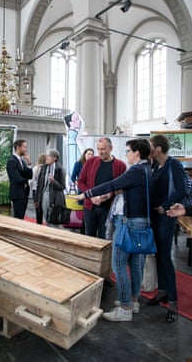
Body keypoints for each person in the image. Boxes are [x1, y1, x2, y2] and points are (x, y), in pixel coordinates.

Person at [77, 138, 153, 322]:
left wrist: (86, 194)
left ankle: (125, 308)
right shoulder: (146, 170)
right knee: (135, 264)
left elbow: (112, 184)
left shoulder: (136, 170)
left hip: (129, 222)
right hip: (140, 221)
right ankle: (133, 302)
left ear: (137, 153)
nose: (126, 154)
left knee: (118, 264)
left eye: (128, 151)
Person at [148, 134, 188, 323]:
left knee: (165, 257)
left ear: (158, 149)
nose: (149, 149)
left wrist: (165, 205)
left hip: (167, 216)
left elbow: (182, 190)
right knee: (158, 255)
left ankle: (173, 301)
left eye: (150, 146)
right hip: (155, 215)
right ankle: (162, 291)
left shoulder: (174, 165)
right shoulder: (155, 165)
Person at [78, 137, 126, 238]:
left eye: (103, 149)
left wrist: (109, 195)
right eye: (98, 149)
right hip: (90, 206)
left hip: (108, 208)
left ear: (111, 148)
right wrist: (91, 196)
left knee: (105, 237)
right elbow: (81, 182)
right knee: (89, 236)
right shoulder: (91, 162)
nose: (100, 152)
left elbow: (121, 187)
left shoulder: (120, 166)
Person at [34, 149, 66, 228]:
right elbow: (39, 185)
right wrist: (37, 199)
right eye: (47, 156)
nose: (46, 158)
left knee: (54, 220)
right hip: (44, 195)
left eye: (49, 156)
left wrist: (53, 181)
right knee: (46, 217)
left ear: (55, 158)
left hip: (55, 198)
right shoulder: (43, 167)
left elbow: (62, 186)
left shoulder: (60, 169)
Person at [6, 139, 32, 219]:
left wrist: (29, 163)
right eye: (24, 147)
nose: (26, 149)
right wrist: (27, 180)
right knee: (18, 218)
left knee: (21, 217)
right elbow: (16, 179)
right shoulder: (11, 161)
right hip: (17, 194)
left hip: (24, 193)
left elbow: (30, 175)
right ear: (18, 147)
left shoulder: (22, 161)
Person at [30, 153, 46, 224]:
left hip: (35, 190)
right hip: (44, 190)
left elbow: (31, 180)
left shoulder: (35, 168)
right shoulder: (46, 168)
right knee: (44, 207)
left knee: (38, 209)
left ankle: (38, 223)